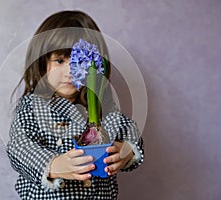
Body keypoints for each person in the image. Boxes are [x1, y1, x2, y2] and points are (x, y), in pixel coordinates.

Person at [7, 10, 144, 199]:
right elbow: (19, 148)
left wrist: (127, 151)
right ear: (43, 63)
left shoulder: (102, 106)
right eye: (60, 60)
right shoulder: (32, 106)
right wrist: (53, 166)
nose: (70, 72)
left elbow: (129, 130)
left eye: (80, 61)